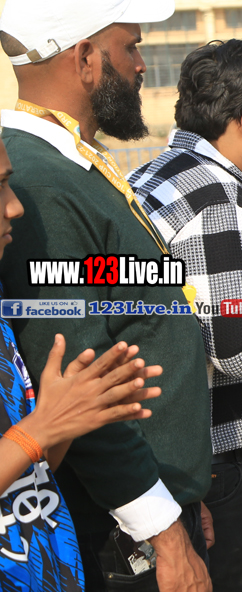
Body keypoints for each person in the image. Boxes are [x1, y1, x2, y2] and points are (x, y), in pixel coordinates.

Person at [0, 0, 213, 592]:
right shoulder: (37, 182)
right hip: (116, 528)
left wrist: (181, 497)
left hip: (153, 503)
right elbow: (78, 376)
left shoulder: (70, 164)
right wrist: (163, 530)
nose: (142, 65)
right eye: (131, 48)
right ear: (87, 59)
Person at [129, 39, 242, 592]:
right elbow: (236, 344)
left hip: (178, 452)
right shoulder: (217, 200)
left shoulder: (154, 175)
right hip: (220, 466)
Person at [0, 127, 163, 591]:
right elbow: (29, 440)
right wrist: (41, 428)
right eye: (0, 186)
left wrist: (73, 415)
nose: (15, 206)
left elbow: (30, 474)